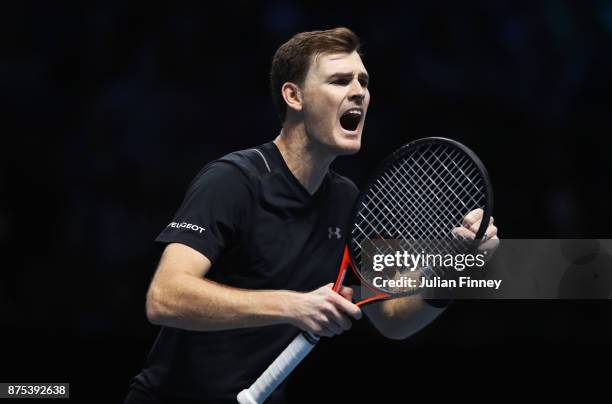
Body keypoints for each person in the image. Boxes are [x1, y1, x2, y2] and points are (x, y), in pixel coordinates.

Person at [125, 27, 498, 403]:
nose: (360, 92)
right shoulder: (234, 180)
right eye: (340, 80)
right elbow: (165, 297)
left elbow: (393, 317)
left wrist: (454, 269)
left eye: (363, 82)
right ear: (294, 96)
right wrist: (293, 306)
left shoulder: (348, 201)